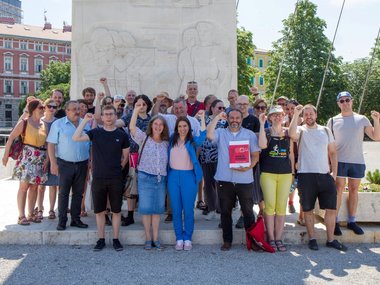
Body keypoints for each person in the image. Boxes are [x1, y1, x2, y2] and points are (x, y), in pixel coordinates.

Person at [288, 104, 347, 251]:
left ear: (316, 115)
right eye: (305, 114)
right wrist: (296, 114)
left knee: (331, 209)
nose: (308, 116)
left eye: (311, 114)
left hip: (325, 175)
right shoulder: (301, 130)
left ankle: (331, 239)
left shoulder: (326, 131)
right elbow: (291, 134)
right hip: (306, 175)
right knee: (308, 209)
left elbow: (333, 153)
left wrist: (334, 173)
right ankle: (312, 238)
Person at [73, 106, 130, 251]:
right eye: (106, 114)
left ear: (115, 116)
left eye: (111, 114)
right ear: (102, 117)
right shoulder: (95, 132)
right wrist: (85, 121)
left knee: (116, 211)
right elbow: (76, 137)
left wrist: (118, 168)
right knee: (100, 211)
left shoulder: (122, 135)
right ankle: (101, 239)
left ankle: (116, 239)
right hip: (98, 177)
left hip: (116, 178)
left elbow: (125, 157)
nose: (109, 117)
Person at [327, 91, 380, 236]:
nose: (345, 103)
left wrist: (376, 119)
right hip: (339, 161)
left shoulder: (362, 119)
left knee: (354, 190)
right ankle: (335, 222)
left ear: (352, 101)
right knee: (338, 190)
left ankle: (352, 221)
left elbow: (376, 137)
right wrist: (329, 163)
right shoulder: (332, 120)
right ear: (338, 103)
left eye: (347, 100)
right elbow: (328, 144)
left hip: (357, 161)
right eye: (342, 101)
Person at [207, 109, 260, 251]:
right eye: (232, 117)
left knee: (248, 212)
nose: (234, 120)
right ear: (227, 119)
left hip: (244, 179)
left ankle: (252, 241)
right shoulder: (221, 133)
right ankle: (227, 241)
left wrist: (249, 166)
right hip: (224, 179)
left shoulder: (249, 135)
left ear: (241, 119)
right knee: (225, 212)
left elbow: (255, 154)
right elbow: (209, 134)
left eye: (237, 117)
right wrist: (218, 117)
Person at [129, 105, 169, 250]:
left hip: (160, 179)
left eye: (161, 124)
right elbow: (132, 127)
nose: (158, 126)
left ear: (164, 127)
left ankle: (156, 238)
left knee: (157, 210)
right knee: (146, 209)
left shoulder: (166, 143)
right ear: (151, 125)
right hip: (145, 177)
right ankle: (147, 238)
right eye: (155, 124)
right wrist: (135, 111)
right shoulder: (144, 138)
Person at [47, 100, 91, 231]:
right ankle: (62, 221)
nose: (77, 111)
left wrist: (90, 163)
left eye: (78, 109)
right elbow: (51, 144)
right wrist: (53, 163)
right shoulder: (58, 124)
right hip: (64, 164)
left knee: (78, 193)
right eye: (73, 109)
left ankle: (76, 219)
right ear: (67, 111)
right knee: (64, 193)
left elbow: (91, 145)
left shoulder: (86, 124)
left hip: (82, 164)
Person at [2, 99, 48, 225]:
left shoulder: (44, 124)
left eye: (43, 107)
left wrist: (47, 160)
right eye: (41, 107)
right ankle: (21, 216)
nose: (43, 109)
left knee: (34, 187)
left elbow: (48, 144)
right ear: (33, 109)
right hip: (27, 157)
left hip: (41, 158)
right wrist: (5, 155)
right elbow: (11, 137)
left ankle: (31, 213)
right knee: (24, 187)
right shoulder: (25, 122)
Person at [168, 112, 206, 251]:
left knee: (188, 209)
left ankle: (188, 238)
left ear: (189, 127)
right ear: (176, 128)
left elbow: (203, 135)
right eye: (180, 126)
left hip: (188, 177)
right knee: (176, 210)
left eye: (185, 126)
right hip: (173, 177)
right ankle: (179, 238)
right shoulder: (171, 140)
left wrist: (202, 118)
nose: (182, 128)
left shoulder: (192, 141)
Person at [258, 106, 294, 252]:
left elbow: (291, 155)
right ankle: (271, 238)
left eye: (280, 115)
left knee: (281, 207)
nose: (278, 117)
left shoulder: (287, 133)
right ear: (270, 117)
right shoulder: (266, 132)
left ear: (284, 116)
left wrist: (292, 174)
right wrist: (261, 124)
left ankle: (279, 238)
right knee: (270, 206)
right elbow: (261, 145)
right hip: (268, 173)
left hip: (285, 174)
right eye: (275, 115)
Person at [117, 94, 152, 226]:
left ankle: (146, 215)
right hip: (131, 155)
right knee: (131, 186)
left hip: (147, 157)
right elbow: (118, 123)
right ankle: (130, 215)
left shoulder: (152, 119)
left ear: (147, 105)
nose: (141, 106)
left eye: (143, 104)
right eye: (138, 104)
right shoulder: (129, 116)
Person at [235, 95, 262, 228]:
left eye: (245, 104)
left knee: (248, 189)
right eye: (240, 104)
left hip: (250, 160)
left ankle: (244, 214)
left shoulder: (254, 120)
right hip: (234, 159)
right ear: (236, 104)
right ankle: (238, 213)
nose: (242, 106)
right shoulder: (232, 118)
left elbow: (257, 140)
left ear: (249, 105)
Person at [200, 99, 227, 220]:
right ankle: (211, 208)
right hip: (206, 157)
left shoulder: (225, 121)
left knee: (220, 185)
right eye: (219, 108)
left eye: (223, 108)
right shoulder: (205, 120)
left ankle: (221, 209)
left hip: (220, 157)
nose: (221, 110)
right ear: (212, 108)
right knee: (208, 185)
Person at [36, 98, 59, 221]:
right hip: (40, 155)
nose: (51, 108)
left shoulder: (58, 122)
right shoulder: (38, 121)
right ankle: (40, 209)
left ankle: (51, 209)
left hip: (54, 156)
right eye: (49, 106)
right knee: (41, 185)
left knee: (53, 185)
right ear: (44, 107)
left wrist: (52, 159)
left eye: (54, 107)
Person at [284, 99, 304, 223]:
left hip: (302, 156)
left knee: (300, 183)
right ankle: (290, 201)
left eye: (293, 108)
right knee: (291, 181)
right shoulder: (285, 122)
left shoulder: (304, 121)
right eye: (288, 109)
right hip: (288, 155)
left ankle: (301, 213)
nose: (290, 111)